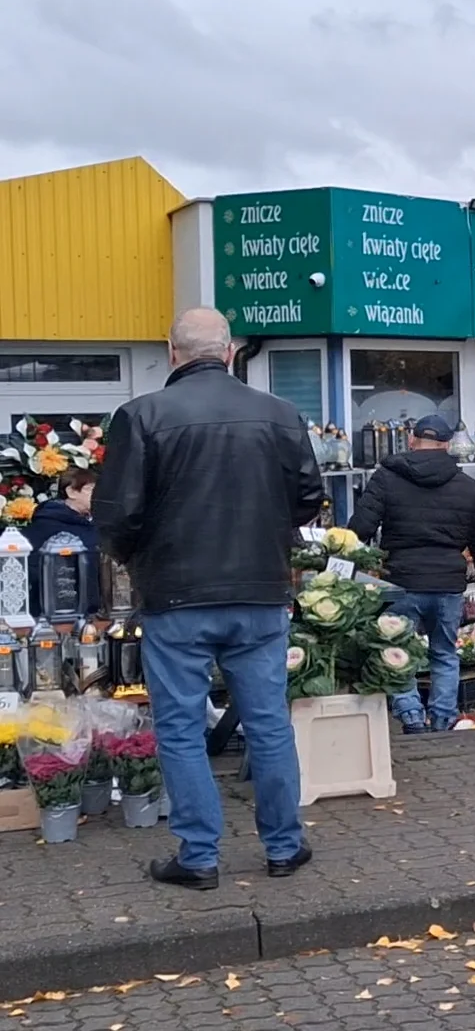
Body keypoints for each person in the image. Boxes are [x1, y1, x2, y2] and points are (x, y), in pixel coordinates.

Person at [94, 308, 324, 891]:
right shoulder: (280, 413)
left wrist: (137, 560)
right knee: (269, 725)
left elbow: (116, 513)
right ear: (229, 351)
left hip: (175, 597)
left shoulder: (141, 415)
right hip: (261, 592)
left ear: (172, 352)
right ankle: (283, 845)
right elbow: (308, 499)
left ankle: (199, 857)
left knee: (179, 729)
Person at [348, 414, 475, 733]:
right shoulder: (466, 486)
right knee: (444, 652)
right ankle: (443, 719)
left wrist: (342, 569)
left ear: (412, 440)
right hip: (448, 583)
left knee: (397, 649)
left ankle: (411, 715)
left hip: (401, 581)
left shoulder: (387, 478)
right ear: (446, 445)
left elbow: (361, 528)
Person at [23, 468, 99, 618]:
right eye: (90, 489)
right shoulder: (47, 525)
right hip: (54, 611)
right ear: (71, 492)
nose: (97, 495)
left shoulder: (96, 523)